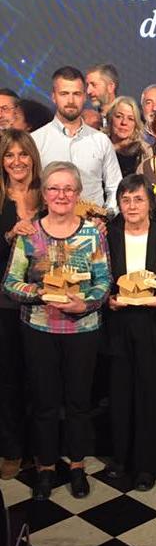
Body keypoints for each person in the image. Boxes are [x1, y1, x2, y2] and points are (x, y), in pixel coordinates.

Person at [3, 161, 110, 500]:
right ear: (45, 193)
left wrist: (86, 304)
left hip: (83, 329)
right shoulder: (29, 233)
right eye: (54, 188)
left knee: (79, 402)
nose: (61, 195)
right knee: (45, 402)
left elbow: (104, 281)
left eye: (68, 189)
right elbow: (10, 282)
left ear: (78, 194)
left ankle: (77, 465)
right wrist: (40, 294)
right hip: (38, 329)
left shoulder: (92, 234)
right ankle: (46, 467)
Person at [105, 174, 156, 491]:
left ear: (150, 204)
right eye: (125, 200)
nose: (131, 205)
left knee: (150, 392)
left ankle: (148, 463)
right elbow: (98, 273)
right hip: (118, 321)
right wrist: (107, 299)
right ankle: (120, 458)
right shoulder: (108, 234)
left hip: (152, 322)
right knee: (119, 391)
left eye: (138, 199)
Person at [0, 129, 42, 479]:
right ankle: (13, 450)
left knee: (41, 378)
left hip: (47, 301)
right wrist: (11, 235)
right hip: (5, 305)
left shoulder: (48, 196)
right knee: (10, 378)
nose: (17, 161)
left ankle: (42, 451)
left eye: (22, 154)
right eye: (9, 155)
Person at [31, 66, 122, 212]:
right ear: (53, 96)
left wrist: (106, 216)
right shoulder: (35, 140)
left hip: (94, 228)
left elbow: (115, 186)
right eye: (64, 94)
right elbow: (29, 189)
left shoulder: (101, 140)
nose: (71, 100)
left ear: (84, 96)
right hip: (48, 227)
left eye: (77, 94)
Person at [106, 96, 152, 176]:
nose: (124, 122)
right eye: (119, 116)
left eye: (130, 119)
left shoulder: (144, 152)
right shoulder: (98, 145)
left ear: (136, 124)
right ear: (110, 118)